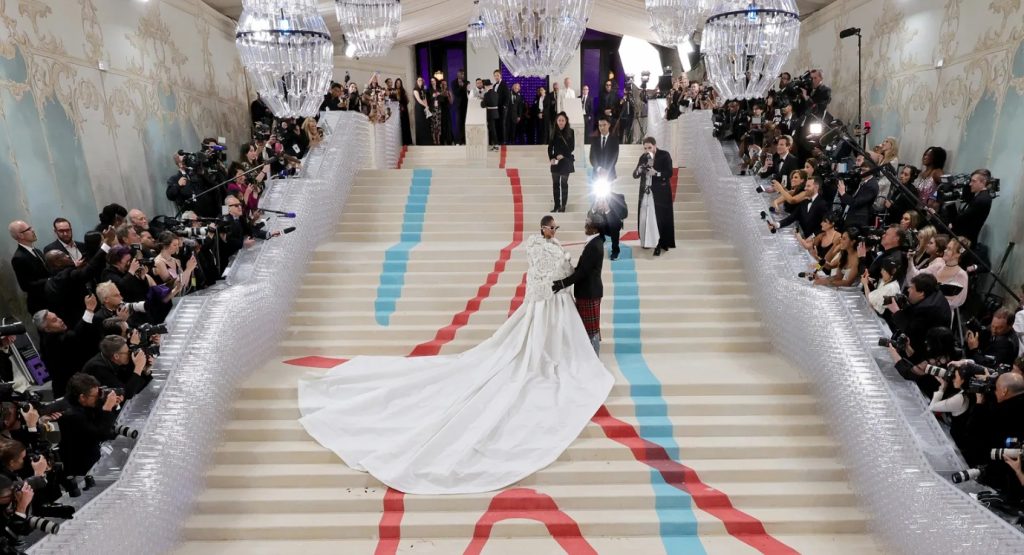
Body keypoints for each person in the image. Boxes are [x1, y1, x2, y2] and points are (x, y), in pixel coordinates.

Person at [297, 215, 614, 494]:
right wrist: (557, 281)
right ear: (543, 228)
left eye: (556, 228)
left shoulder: (568, 246)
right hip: (548, 300)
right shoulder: (540, 247)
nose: (554, 231)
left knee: (571, 338)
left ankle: (571, 356)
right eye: (551, 227)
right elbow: (543, 276)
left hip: (557, 301)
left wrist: (561, 277)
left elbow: (566, 272)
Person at [552, 219, 604, 353]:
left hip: (589, 293)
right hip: (588, 292)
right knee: (588, 329)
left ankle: (594, 358)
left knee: (591, 331)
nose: (585, 225)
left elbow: (583, 272)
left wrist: (562, 283)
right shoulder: (594, 242)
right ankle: (590, 356)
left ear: (595, 228)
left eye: (588, 224)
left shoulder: (594, 245)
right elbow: (582, 269)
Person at [58, 373, 122, 479]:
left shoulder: (83, 403)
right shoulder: (71, 414)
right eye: (95, 396)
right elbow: (101, 434)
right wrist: (107, 408)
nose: (98, 398)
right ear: (82, 397)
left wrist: (113, 406)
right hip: (81, 467)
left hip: (91, 455)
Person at [632, 137, 675, 256]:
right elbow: (635, 175)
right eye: (645, 148)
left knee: (658, 218)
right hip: (645, 192)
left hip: (660, 193)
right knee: (645, 217)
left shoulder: (664, 155)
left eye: (649, 147)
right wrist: (639, 170)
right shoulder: (643, 157)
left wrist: (657, 173)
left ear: (655, 145)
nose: (647, 150)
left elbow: (669, 173)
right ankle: (646, 241)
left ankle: (660, 243)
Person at [8, 220, 49, 313]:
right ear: (20, 235)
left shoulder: (37, 251)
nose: (33, 230)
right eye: (29, 229)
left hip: (51, 298)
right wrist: (50, 280)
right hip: (40, 305)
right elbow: (26, 286)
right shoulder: (18, 258)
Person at [948, 169, 993, 245]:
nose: (970, 184)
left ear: (983, 182)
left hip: (965, 240)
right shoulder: (979, 196)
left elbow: (963, 219)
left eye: (973, 181)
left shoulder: (982, 199)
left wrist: (952, 220)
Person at [548, 112, 575, 213]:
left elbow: (572, 147)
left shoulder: (571, 132)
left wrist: (562, 155)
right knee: (555, 184)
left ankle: (563, 206)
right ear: (556, 121)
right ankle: (556, 205)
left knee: (564, 184)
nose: (561, 122)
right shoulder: (554, 131)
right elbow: (550, 147)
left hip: (566, 160)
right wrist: (551, 158)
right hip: (556, 161)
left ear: (566, 121)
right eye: (559, 120)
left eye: (563, 120)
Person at [450, 70, 468, 144]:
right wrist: (461, 86)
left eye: (463, 74)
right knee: (458, 122)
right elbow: (456, 93)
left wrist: (463, 86)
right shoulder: (453, 83)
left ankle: (465, 140)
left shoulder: (466, 82)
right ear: (458, 74)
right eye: (461, 74)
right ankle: (459, 140)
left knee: (465, 122)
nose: (463, 75)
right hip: (458, 106)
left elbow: (466, 92)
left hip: (465, 105)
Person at [394, 78, 413, 146]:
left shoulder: (403, 91)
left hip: (403, 110)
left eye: (399, 83)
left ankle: (406, 142)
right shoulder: (393, 91)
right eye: (397, 83)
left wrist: (402, 104)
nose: (398, 84)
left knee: (405, 126)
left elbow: (407, 101)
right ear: (395, 83)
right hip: (396, 111)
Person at [412, 77, 430, 146]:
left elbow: (425, 98)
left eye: (421, 80)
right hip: (419, 108)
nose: (420, 81)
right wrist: (425, 105)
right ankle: (421, 142)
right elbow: (419, 100)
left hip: (424, 107)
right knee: (420, 123)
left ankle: (426, 141)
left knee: (425, 123)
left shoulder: (423, 89)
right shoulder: (415, 90)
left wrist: (427, 106)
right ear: (416, 81)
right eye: (419, 80)